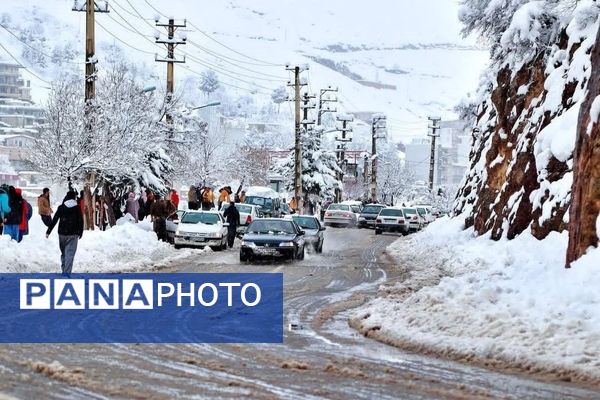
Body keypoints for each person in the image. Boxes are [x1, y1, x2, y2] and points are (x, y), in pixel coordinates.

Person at [46, 191, 84, 277]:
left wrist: (49, 231)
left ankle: (64, 270)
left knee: (64, 253)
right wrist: (80, 232)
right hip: (73, 234)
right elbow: (80, 220)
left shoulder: (61, 207)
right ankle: (67, 272)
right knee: (70, 254)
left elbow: (55, 219)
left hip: (62, 233)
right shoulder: (77, 208)